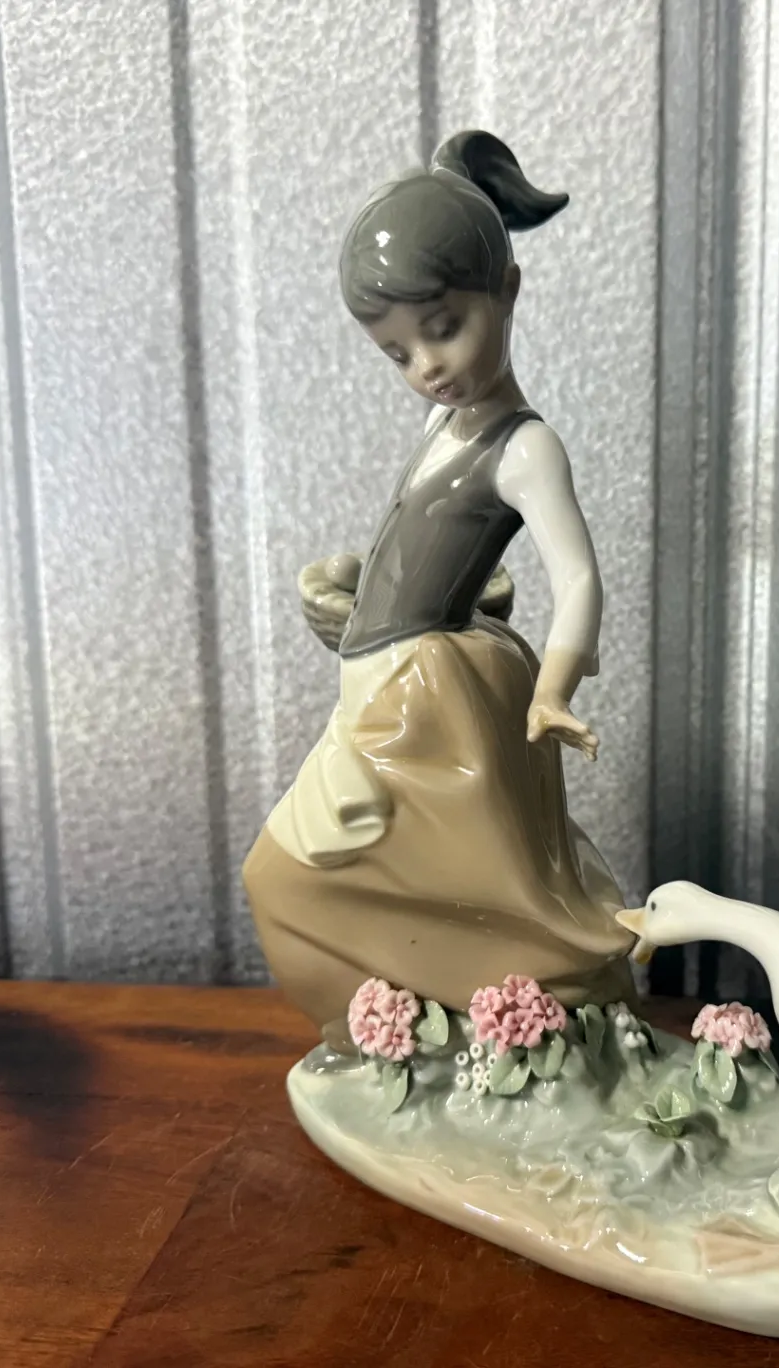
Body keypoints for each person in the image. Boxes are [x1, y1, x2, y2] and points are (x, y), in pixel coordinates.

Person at [243, 130, 635, 1028]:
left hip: (425, 699)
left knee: (314, 874)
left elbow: (578, 578)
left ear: (508, 292)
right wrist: (355, 593)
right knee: (372, 879)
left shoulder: (524, 447)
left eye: (444, 328)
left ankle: (507, 1019)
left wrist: (555, 691)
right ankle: (422, 1028)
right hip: (388, 679)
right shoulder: (444, 424)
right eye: (397, 352)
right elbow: (425, 543)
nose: (425, 366)